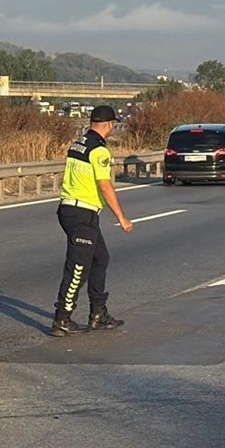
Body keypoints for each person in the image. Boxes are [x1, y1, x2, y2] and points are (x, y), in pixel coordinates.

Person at [50, 104, 134, 336]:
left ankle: (98, 313)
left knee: (100, 259)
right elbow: (105, 186)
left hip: (71, 209)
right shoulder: (99, 151)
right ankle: (62, 318)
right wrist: (122, 218)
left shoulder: (78, 144)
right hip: (82, 213)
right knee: (78, 267)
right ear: (109, 125)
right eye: (113, 125)